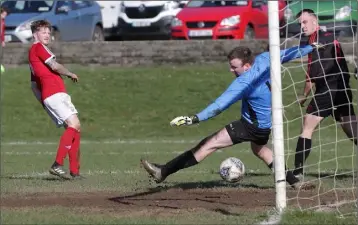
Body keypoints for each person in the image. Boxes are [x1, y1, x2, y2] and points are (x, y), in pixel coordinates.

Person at [141, 44, 318, 190]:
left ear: (247, 66)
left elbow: (219, 106)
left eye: (234, 67)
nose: (231, 70)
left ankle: (162, 171)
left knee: (208, 145)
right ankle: (294, 182)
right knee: (261, 151)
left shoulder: (244, 83)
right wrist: (311, 47)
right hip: (264, 127)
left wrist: (194, 119)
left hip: (250, 126)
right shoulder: (265, 58)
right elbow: (288, 53)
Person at [293, 9, 357, 178]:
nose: (302, 27)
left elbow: (312, 75)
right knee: (351, 128)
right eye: (300, 24)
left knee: (307, 125)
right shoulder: (326, 36)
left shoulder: (318, 41)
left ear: (315, 20)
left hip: (328, 89)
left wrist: (304, 95)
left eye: (305, 22)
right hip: (343, 87)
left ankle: (297, 172)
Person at [28, 20, 82, 179]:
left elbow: (33, 86)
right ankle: (57, 164)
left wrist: (43, 103)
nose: (47, 35)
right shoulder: (38, 48)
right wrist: (70, 73)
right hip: (54, 93)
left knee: (75, 128)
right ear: (34, 34)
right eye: (43, 32)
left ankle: (75, 171)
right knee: (74, 125)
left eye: (48, 32)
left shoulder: (33, 55)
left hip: (54, 94)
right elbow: (55, 66)